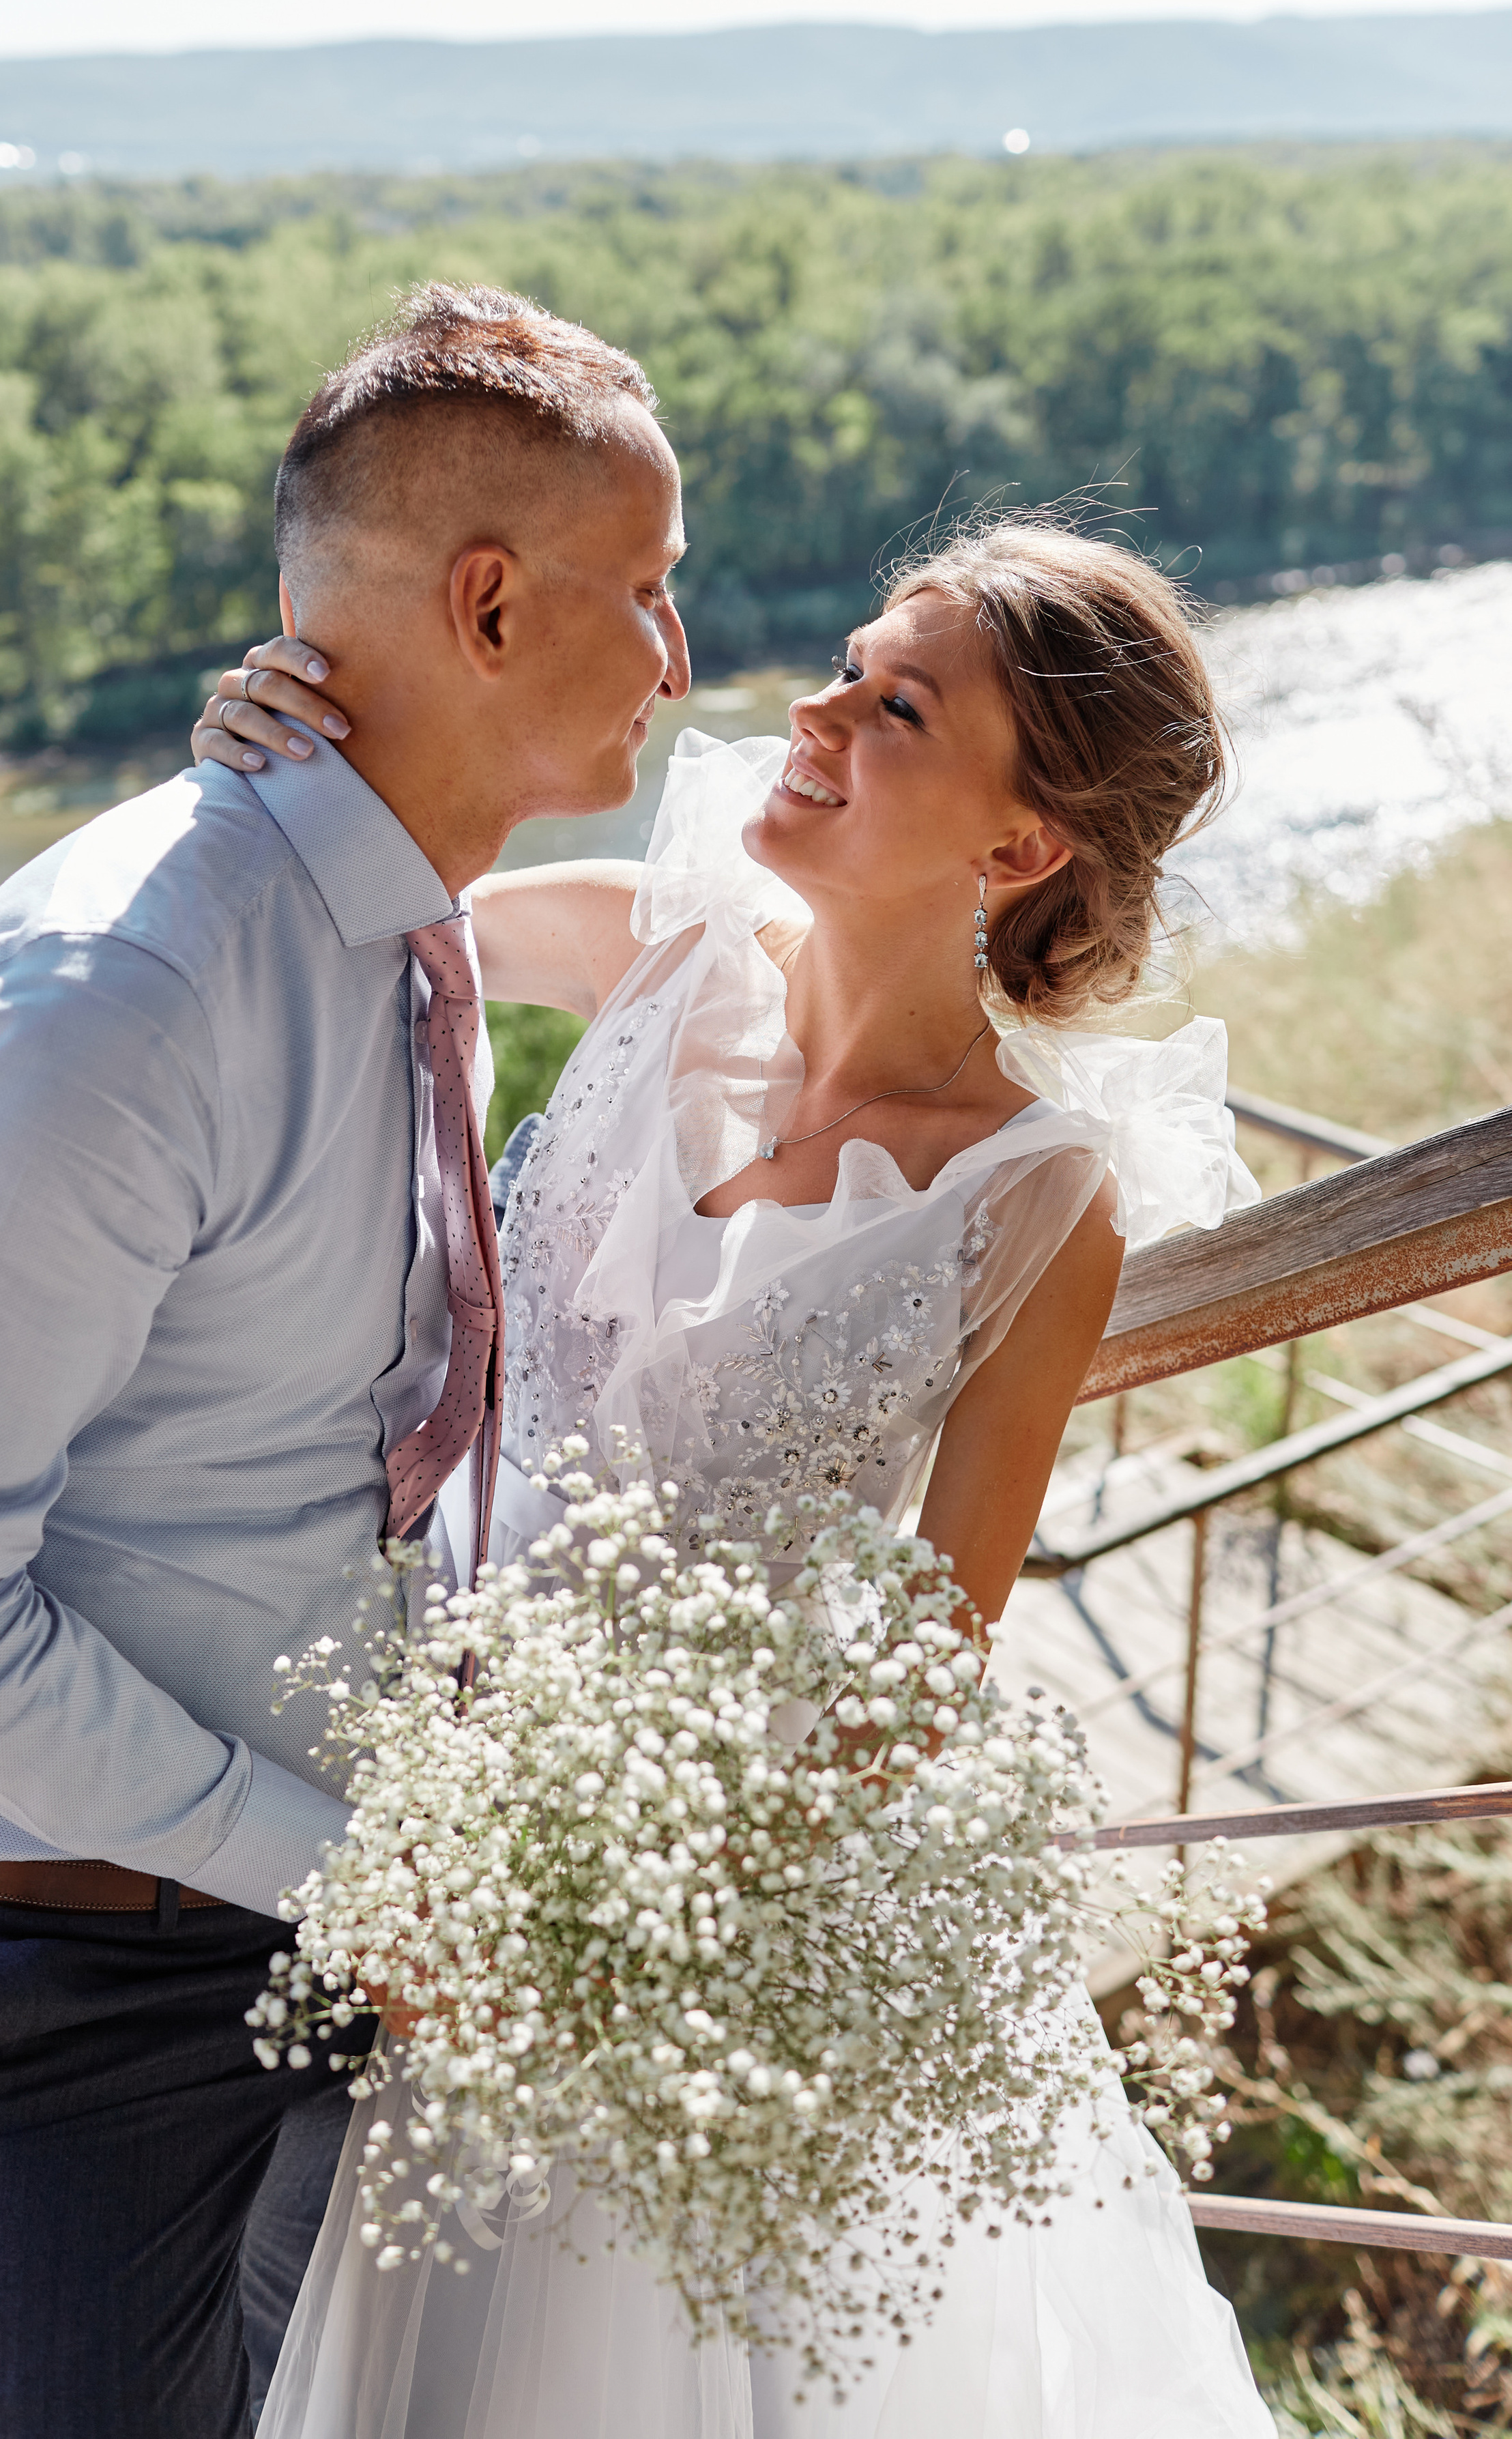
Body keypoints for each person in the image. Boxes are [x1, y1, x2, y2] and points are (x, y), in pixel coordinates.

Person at [190, 518, 1273, 2434]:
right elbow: (378, 904)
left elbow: (926, 1658)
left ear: (1018, 849)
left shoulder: (1038, 1198)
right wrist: (265, 745)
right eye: (853, 659)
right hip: (441, 1809)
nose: (817, 707)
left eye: (896, 705)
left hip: (691, 1927)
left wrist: (615, 1918)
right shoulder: (666, 942)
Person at [0, 282, 690, 2439]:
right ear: (485, 606)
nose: (677, 655)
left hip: (360, 1909)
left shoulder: (404, 920)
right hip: (79, 1997)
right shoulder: (123, 998)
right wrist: (345, 1877)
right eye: (647, 592)